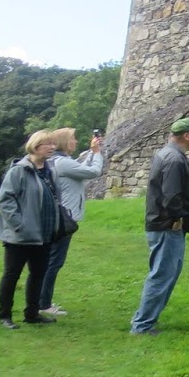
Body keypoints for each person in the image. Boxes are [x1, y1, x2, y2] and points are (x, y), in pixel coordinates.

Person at [129, 117, 189, 336]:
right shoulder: (174, 160)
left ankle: (146, 320)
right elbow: (171, 196)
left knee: (167, 274)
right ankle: (142, 325)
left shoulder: (168, 155)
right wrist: (178, 218)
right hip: (167, 226)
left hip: (164, 224)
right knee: (162, 275)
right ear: (187, 135)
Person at [0, 130, 62, 328]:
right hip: (19, 236)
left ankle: (32, 314)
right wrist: (19, 225)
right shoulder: (19, 171)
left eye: (53, 144)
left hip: (44, 234)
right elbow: (6, 200)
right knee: (12, 275)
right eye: (48, 144)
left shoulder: (50, 170)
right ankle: (5, 316)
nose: (52, 147)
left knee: (38, 274)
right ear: (35, 147)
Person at [39, 128, 105, 317]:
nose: (76, 142)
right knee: (54, 262)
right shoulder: (63, 163)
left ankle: (40, 300)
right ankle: (43, 304)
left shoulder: (58, 161)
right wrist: (97, 153)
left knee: (49, 260)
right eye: (73, 139)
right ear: (64, 142)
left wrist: (92, 152)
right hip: (64, 219)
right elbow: (93, 171)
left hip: (56, 217)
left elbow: (80, 169)